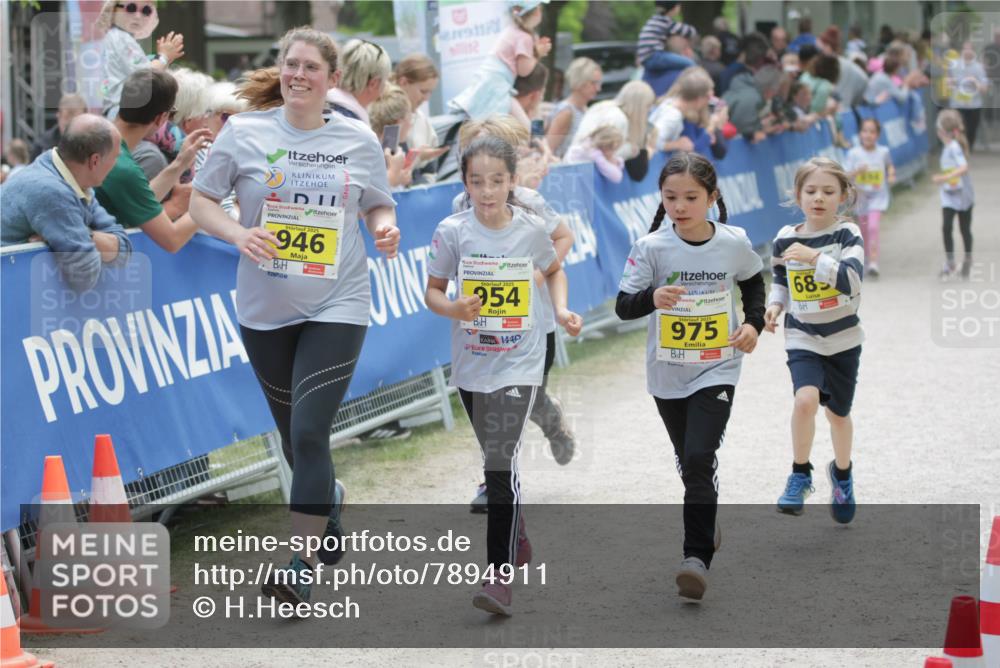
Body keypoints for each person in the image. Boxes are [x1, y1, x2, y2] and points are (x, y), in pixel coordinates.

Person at [190, 27, 400, 608]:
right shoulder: (245, 132)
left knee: (310, 431)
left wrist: (383, 228)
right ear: (280, 71)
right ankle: (326, 497)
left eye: (312, 67)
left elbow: (378, 201)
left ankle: (300, 562)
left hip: (339, 301)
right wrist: (238, 233)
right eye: (291, 64)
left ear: (332, 80)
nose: (299, 75)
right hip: (264, 309)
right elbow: (199, 202)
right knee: (293, 438)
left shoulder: (357, 140)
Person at [425, 135, 582, 616]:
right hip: (473, 364)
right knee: (497, 469)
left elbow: (555, 269)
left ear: (513, 182)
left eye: (497, 181)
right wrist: (454, 306)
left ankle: (497, 577)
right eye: (477, 181)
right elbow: (431, 293)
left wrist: (559, 309)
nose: (487, 191)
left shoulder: (532, 230)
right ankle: (518, 536)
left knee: (498, 461)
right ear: (466, 183)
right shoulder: (452, 232)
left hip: (521, 359)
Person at [616, 152, 765, 601]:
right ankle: (707, 516)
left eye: (691, 197)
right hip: (667, 372)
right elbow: (623, 306)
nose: (680, 206)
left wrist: (753, 324)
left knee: (700, 455)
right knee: (688, 461)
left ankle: (695, 557)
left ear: (712, 197)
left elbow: (753, 281)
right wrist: (653, 297)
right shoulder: (651, 248)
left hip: (717, 366)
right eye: (671, 197)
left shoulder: (733, 242)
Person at [454, 115, 578, 511]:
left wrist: (540, 272)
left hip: (532, 329)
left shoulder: (530, 202)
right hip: (482, 330)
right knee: (486, 404)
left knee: (522, 402)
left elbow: (564, 236)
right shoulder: (460, 206)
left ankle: (551, 419)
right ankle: (494, 482)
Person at [764, 158, 863, 523]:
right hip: (802, 334)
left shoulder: (847, 234)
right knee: (805, 400)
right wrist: (775, 305)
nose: (818, 198)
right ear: (798, 195)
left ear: (843, 196)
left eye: (828, 191)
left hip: (844, 338)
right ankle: (800, 473)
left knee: (838, 414)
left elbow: (852, 280)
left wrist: (815, 257)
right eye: (810, 191)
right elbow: (780, 277)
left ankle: (842, 473)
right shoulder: (785, 237)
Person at [1, 114, 130, 291]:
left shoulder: (74, 179)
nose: (116, 164)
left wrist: (82, 234)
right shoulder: (50, 191)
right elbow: (85, 276)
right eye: (115, 157)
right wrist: (77, 235)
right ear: (95, 161)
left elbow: (124, 249)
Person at [96, 69, 212, 253]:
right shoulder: (122, 167)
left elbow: (139, 199)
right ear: (161, 118)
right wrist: (211, 201)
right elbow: (172, 240)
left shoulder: (97, 139)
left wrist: (180, 162)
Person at [448, 0, 551, 128]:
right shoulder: (506, 103)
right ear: (536, 93)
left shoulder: (512, 31)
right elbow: (535, 136)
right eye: (542, 93)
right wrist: (537, 54)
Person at [96, 0, 184, 117]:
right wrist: (164, 57)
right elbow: (145, 75)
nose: (138, 16)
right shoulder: (122, 38)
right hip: (120, 112)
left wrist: (163, 59)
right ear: (114, 9)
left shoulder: (114, 36)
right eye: (131, 8)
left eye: (146, 10)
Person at [571, 81, 655, 180]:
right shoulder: (619, 118)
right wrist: (632, 149)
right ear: (639, 106)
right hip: (585, 173)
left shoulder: (603, 107)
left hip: (575, 166)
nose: (648, 111)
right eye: (647, 106)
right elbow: (607, 150)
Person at [844, 118, 894, 277]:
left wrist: (891, 175)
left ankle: (873, 262)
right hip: (861, 199)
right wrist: (857, 172)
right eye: (865, 131)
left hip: (878, 197)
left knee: (873, 227)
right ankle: (865, 259)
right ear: (860, 134)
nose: (868, 135)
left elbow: (889, 165)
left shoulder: (883, 151)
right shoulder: (853, 154)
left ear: (878, 135)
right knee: (864, 230)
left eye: (872, 131)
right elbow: (845, 175)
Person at [931, 110, 974, 280]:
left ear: (941, 131)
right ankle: (950, 262)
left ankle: (968, 259)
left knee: (964, 229)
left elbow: (964, 167)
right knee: (946, 227)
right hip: (949, 194)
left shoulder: (954, 147)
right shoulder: (948, 146)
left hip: (963, 195)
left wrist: (944, 177)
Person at [391, 54, 448, 174]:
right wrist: (419, 157)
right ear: (403, 82)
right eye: (423, 91)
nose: (426, 98)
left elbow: (431, 169)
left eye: (430, 92)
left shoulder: (421, 119)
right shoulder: (385, 118)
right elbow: (389, 169)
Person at [637, 2, 698, 97]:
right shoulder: (666, 22)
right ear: (675, 8)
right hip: (655, 55)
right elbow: (690, 31)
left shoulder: (653, 20)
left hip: (645, 58)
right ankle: (697, 89)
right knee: (691, 64)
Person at [544, 57, 602, 158]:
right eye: (593, 83)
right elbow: (548, 149)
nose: (598, 88)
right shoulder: (566, 112)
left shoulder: (584, 109)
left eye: (598, 83)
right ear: (580, 81)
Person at [327, 38, 392, 125]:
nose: (386, 85)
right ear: (374, 83)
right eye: (385, 80)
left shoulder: (321, 107)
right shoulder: (353, 126)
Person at [369, 84, 413, 190]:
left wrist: (400, 179)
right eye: (410, 118)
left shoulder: (389, 151)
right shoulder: (371, 152)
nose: (411, 124)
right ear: (399, 122)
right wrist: (393, 175)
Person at [948, 41, 988, 150]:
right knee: (957, 128)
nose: (967, 51)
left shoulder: (979, 68)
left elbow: (984, 88)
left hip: (974, 104)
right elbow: (949, 82)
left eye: (969, 49)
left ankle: (968, 149)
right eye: (965, 49)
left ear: (973, 51)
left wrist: (975, 82)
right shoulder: (954, 65)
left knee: (971, 129)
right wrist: (951, 83)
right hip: (957, 104)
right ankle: (958, 148)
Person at [30, 93, 88, 160]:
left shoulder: (94, 145)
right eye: (67, 125)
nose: (72, 129)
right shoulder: (43, 146)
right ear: (58, 116)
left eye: (77, 121)